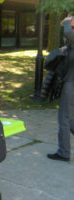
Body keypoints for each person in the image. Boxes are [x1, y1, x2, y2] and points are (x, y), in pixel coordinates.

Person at [47, 16, 74, 162]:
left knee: (63, 118)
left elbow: (68, 32)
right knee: (68, 118)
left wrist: (67, 22)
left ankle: (64, 153)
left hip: (71, 84)